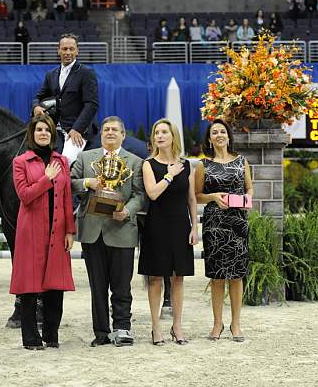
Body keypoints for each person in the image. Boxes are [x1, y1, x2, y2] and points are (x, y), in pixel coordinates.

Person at [70, 116, 146, 347]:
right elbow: (69, 182)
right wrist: (87, 184)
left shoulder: (135, 162)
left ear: (123, 135)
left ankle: (122, 328)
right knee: (98, 286)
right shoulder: (85, 158)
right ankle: (101, 332)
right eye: (106, 129)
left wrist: (128, 211)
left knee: (122, 285)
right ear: (100, 134)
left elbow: (140, 195)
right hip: (93, 230)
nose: (110, 132)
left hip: (122, 228)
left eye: (115, 130)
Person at [10, 114, 75, 350]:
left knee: (55, 285)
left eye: (47, 130)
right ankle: (30, 337)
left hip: (57, 229)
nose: (43, 133)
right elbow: (25, 196)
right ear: (32, 134)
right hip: (31, 231)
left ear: (52, 134)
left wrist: (70, 230)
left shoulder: (62, 161)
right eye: (39, 130)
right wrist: (46, 179)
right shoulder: (21, 162)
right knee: (30, 285)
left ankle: (51, 334)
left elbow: (67, 197)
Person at [138, 119, 197, 346]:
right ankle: (156, 328)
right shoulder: (148, 164)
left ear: (173, 136)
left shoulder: (187, 165)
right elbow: (153, 193)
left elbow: (191, 198)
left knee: (178, 277)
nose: (159, 136)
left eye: (164, 132)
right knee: (155, 278)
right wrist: (169, 175)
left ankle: (177, 326)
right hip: (156, 225)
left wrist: (194, 227)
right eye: (156, 133)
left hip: (180, 225)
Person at [194, 119, 253, 343]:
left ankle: (236, 324)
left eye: (222, 131)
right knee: (217, 277)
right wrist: (212, 197)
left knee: (237, 276)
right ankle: (217, 323)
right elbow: (197, 195)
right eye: (214, 132)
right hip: (215, 224)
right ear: (209, 139)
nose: (219, 135)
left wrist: (250, 197)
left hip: (238, 222)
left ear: (228, 136)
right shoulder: (203, 165)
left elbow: (249, 187)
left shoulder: (241, 161)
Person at [32, 33, 99, 158]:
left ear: (77, 51)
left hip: (77, 130)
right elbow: (38, 97)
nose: (68, 52)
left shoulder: (86, 73)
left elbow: (91, 104)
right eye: (64, 49)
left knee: (66, 161)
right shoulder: (51, 74)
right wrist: (36, 107)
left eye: (71, 49)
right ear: (58, 50)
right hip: (55, 128)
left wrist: (77, 129)